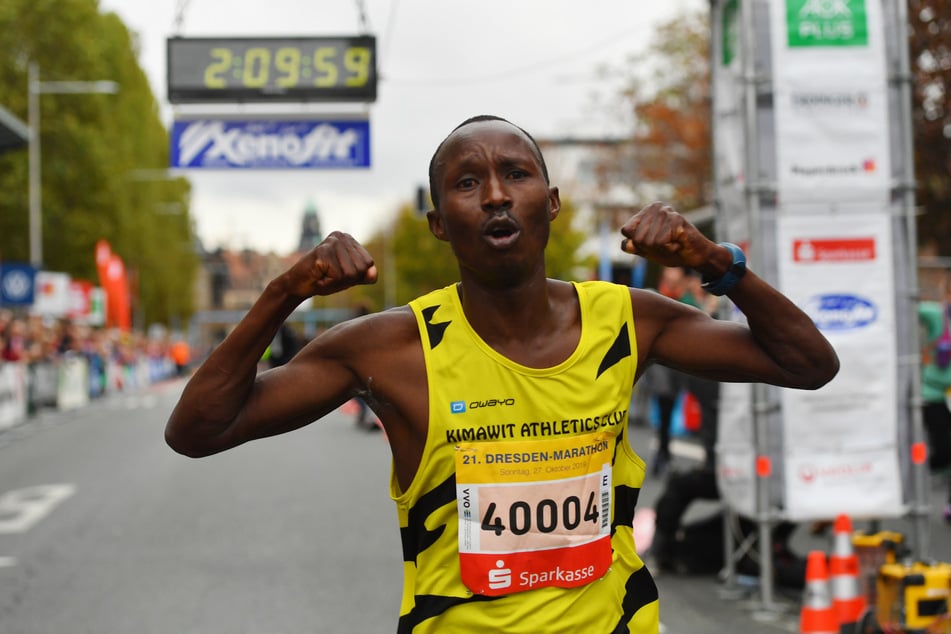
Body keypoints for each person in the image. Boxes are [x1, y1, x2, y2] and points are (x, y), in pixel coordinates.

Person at [165, 115, 840, 633]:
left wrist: (712, 259)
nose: (493, 194)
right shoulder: (389, 347)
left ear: (549, 204)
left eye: (515, 175)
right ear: (437, 225)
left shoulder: (626, 320)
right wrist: (283, 291)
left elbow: (807, 363)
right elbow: (197, 429)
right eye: (466, 183)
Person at [918, 277, 951, 523]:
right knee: (943, 449)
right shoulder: (935, 314)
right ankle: (918, 473)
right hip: (935, 393)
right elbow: (905, 305)